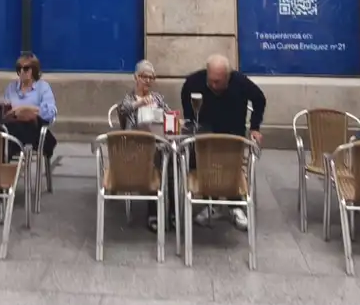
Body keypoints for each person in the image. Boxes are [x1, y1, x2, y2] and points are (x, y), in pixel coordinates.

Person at [180, 53, 265, 231]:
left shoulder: (240, 82)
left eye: (218, 81)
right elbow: (185, 92)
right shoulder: (195, 81)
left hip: (232, 134)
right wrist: (189, 119)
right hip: (206, 134)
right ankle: (212, 203)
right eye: (210, 80)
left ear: (228, 76)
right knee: (203, 165)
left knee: (229, 169)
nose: (213, 85)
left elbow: (259, 99)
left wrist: (255, 127)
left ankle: (235, 205)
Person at [0, 52, 57, 226]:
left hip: (33, 131)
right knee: (0, 140)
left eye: (26, 68)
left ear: (34, 70)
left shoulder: (43, 87)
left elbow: (50, 112)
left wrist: (28, 108)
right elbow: (1, 107)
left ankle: (1, 191)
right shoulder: (12, 88)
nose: (22, 72)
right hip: (11, 130)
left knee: (4, 142)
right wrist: (1, 107)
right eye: (19, 69)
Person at [113, 59, 170, 232]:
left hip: (159, 143)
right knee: (155, 160)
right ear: (136, 77)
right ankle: (153, 214)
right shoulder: (129, 98)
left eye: (151, 77)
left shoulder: (158, 98)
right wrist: (139, 103)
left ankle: (173, 212)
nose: (148, 81)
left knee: (173, 158)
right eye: (144, 77)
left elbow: (169, 116)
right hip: (135, 146)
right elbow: (123, 110)